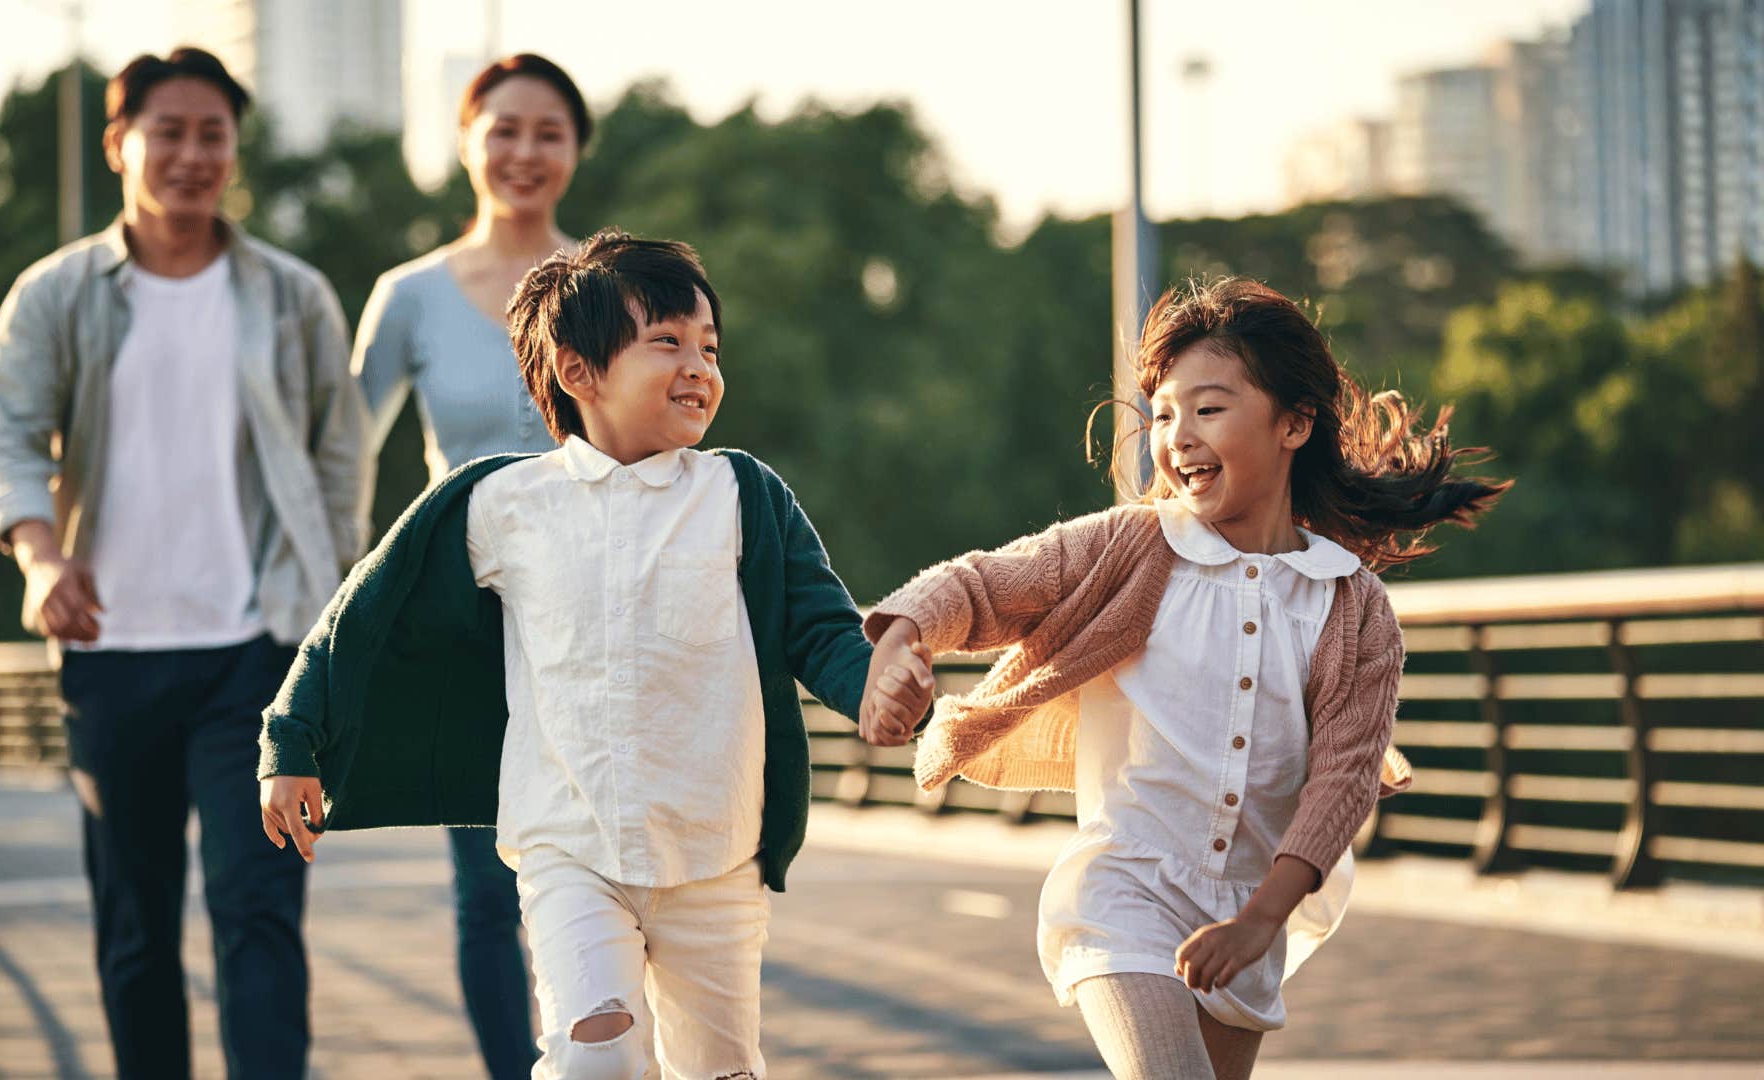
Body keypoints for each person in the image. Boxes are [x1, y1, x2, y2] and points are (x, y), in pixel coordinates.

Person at [258, 231, 934, 1079]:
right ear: (579, 373)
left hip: (715, 853)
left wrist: (874, 687)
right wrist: (293, 739)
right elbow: (362, 614)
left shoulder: (741, 496)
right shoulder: (503, 503)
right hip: (568, 847)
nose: (699, 367)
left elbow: (820, 629)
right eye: (667, 343)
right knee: (595, 1059)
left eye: (710, 348)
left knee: (722, 1071)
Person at [859, 277, 1507, 1080]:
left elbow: (1343, 777)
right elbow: (986, 584)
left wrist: (1261, 920)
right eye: (1163, 413)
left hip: (1252, 906)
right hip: (1122, 887)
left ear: (1294, 424)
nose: (1177, 437)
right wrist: (902, 638)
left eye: (1208, 409)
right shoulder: (1132, 548)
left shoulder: (1351, 604)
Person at [0, 47, 369, 1080]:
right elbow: (10, 433)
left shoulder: (292, 297)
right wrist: (39, 557)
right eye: (169, 132)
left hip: (262, 655)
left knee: (258, 913)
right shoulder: (55, 295)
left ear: (235, 149)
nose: (193, 155)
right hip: (113, 654)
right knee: (137, 927)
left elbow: (341, 460)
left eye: (214, 135)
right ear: (120, 145)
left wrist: (334, 622)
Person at [351, 53, 589, 1075]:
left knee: (606, 871)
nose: (524, 151)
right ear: (465, 141)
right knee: (488, 889)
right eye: (504, 129)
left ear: (576, 150)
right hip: (467, 625)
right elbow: (338, 457)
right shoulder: (406, 296)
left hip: (600, 617)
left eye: (548, 132)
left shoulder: (612, 285)